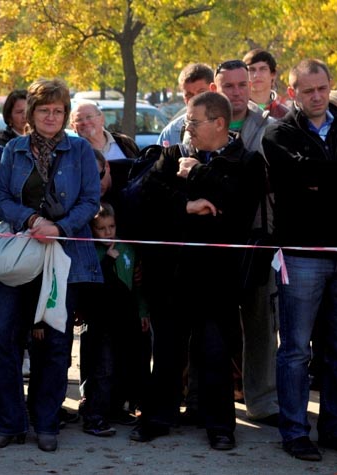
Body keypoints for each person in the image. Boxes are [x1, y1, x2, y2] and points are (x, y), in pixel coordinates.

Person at [132, 92, 264, 451]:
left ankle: (219, 425)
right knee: (167, 351)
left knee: (215, 352)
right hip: (171, 274)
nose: (187, 127)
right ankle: (157, 417)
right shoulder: (172, 154)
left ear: (219, 123)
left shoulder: (247, 160)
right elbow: (147, 195)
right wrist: (186, 205)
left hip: (218, 277)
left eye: (193, 121)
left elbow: (237, 205)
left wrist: (197, 173)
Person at [0, 78, 102, 452]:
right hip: (18, 254)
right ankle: (9, 424)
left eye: (58, 110)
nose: (51, 117)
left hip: (64, 257)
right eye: (44, 110)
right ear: (31, 114)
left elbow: (91, 200)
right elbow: (1, 198)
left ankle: (47, 424)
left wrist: (59, 228)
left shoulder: (80, 150)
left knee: (54, 343)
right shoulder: (14, 149)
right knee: (1, 337)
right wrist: (32, 220)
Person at [262, 59, 337, 462]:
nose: (317, 96)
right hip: (300, 255)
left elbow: (313, 177)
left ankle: (336, 426)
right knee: (296, 350)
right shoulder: (278, 133)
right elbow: (295, 178)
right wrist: (331, 177)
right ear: (292, 92)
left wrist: (318, 178)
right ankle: (295, 431)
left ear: (330, 87)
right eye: (308, 90)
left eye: (322, 89)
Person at [210, 58, 279, 426]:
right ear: (215, 89)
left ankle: (263, 401)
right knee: (211, 326)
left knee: (261, 325)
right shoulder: (193, 123)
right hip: (211, 241)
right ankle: (207, 400)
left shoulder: (271, 126)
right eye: (228, 86)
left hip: (257, 239)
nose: (236, 92)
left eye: (242, 84)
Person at [80, 203, 148, 437]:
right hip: (101, 321)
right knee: (103, 368)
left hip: (125, 319)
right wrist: (108, 259)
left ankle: (116, 409)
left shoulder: (127, 249)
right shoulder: (90, 251)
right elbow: (92, 285)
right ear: (92, 230)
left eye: (111, 227)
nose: (108, 232)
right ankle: (94, 416)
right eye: (101, 228)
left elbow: (137, 287)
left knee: (121, 365)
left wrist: (143, 311)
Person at [157, 64, 214, 146]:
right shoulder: (170, 134)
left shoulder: (226, 127)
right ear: (184, 98)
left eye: (201, 93)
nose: (195, 100)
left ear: (213, 90)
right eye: (189, 95)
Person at [71, 100, 140, 159]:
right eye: (79, 119)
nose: (85, 122)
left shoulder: (125, 142)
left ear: (102, 119)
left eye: (89, 117)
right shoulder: (71, 153)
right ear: (73, 126)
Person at [243, 49, 289, 119]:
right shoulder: (236, 113)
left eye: (263, 69)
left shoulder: (286, 116)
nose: (257, 75)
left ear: (273, 74)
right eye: (251, 70)